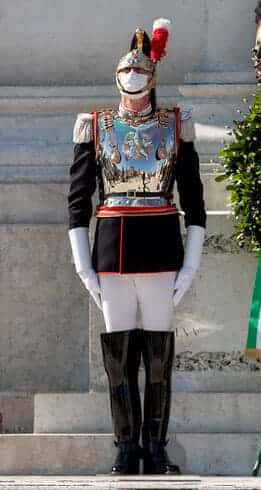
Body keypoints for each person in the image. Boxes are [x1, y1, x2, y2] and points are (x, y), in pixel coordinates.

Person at [68, 18, 206, 475]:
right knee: (119, 356)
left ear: (153, 78)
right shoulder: (94, 124)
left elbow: (194, 200)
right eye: (127, 73)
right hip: (112, 247)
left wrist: (190, 265)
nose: (133, 80)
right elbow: (78, 201)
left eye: (141, 73)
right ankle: (126, 445)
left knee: (159, 356)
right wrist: (83, 266)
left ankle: (157, 445)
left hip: (160, 242)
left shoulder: (174, 125)